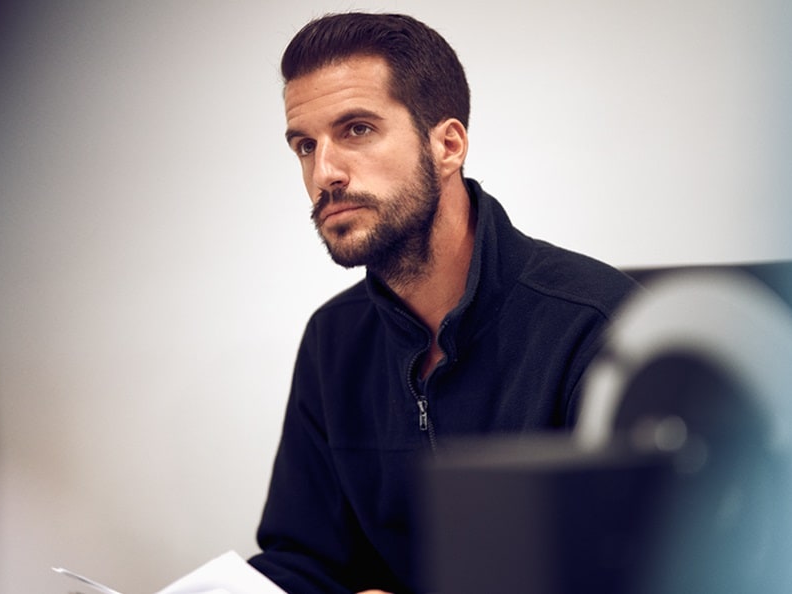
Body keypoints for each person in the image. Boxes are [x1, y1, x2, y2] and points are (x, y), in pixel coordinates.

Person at [246, 12, 638, 594]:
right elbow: (304, 558)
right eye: (305, 144)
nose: (323, 172)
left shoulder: (595, 327)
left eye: (356, 129)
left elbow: (636, 570)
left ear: (448, 144)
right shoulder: (333, 339)